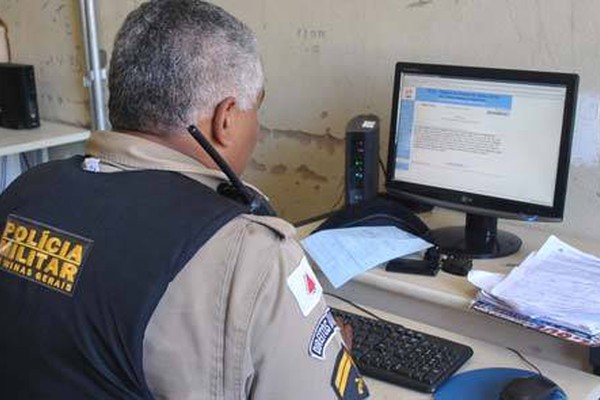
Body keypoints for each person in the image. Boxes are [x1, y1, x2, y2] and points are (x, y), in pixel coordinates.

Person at [0, 1, 369, 399]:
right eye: (254, 108)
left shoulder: (26, 190)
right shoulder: (251, 256)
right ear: (225, 118)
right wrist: (326, 354)